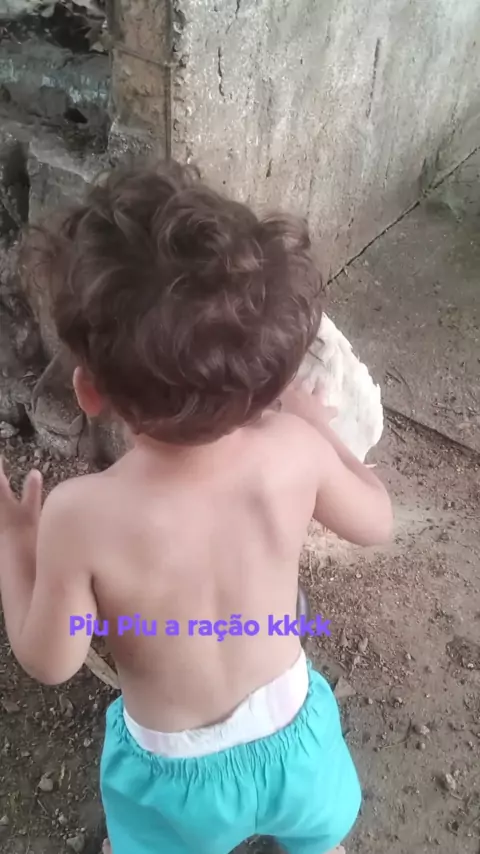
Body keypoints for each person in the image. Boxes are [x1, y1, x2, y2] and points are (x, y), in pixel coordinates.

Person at [0, 161, 393, 854]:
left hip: (172, 783)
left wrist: (15, 547)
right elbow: (378, 520)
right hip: (296, 744)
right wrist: (317, 427)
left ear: (89, 391)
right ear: (265, 373)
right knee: (319, 838)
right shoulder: (294, 451)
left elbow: (50, 659)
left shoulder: (79, 516)